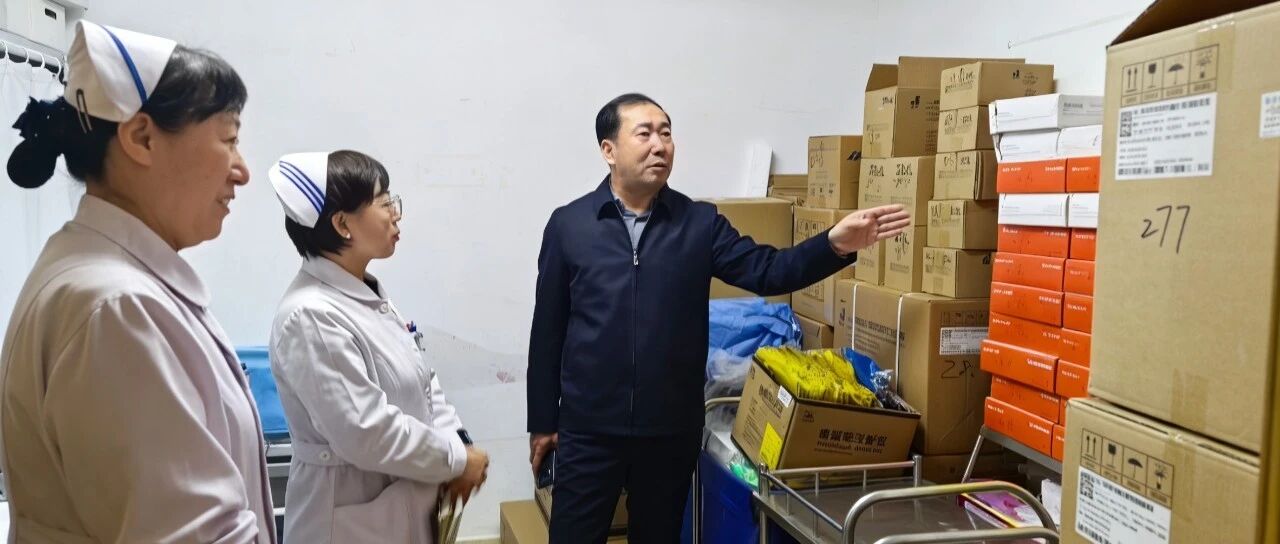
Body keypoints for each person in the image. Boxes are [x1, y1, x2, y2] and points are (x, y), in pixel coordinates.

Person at [527, 93, 910, 543]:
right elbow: (548, 330)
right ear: (608, 150)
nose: (660, 145)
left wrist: (834, 244)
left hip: (669, 431)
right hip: (589, 430)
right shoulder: (570, 226)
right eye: (644, 134)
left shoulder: (698, 223)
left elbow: (769, 270)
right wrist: (543, 421)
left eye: (666, 133)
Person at [0, 21, 274, 542]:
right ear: (141, 138)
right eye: (229, 139)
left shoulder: (105, 279)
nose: (241, 170)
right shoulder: (115, 307)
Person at [267, 151, 490, 543]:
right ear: (342, 224)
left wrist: (458, 441)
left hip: (398, 508)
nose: (396, 214)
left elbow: (422, 381)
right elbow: (366, 432)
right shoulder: (311, 316)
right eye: (384, 203)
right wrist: (455, 460)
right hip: (348, 521)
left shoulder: (365, 294)